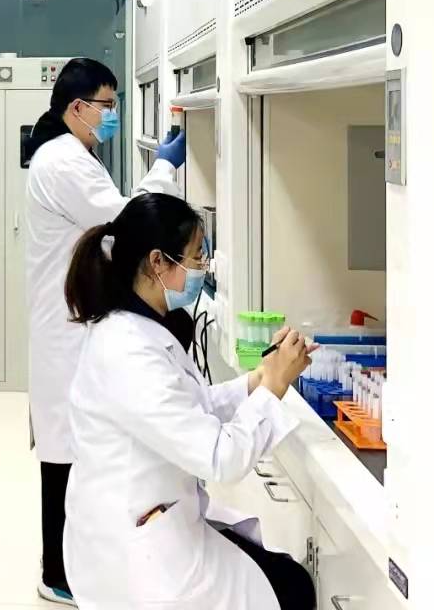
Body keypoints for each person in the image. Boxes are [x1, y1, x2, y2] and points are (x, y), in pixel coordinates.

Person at [61, 193, 316, 609]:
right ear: (158, 262)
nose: (203, 267)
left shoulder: (139, 328)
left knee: (283, 576)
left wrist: (258, 380)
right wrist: (273, 388)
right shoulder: (128, 351)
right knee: (292, 589)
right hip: (133, 556)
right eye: (197, 256)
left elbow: (192, 406)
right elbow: (220, 459)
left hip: (150, 519)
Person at [24, 57, 187, 605]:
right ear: (77, 107)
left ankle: (70, 564)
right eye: (108, 105)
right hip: (63, 329)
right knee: (64, 455)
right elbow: (123, 221)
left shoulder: (73, 155)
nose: (112, 114)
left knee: (72, 451)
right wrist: (162, 169)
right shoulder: (63, 161)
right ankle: (57, 573)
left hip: (70, 322)